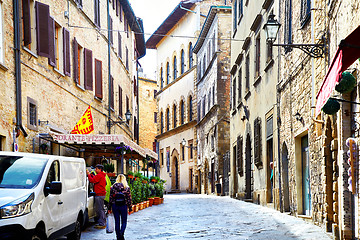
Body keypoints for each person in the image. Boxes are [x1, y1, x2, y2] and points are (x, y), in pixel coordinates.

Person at [108, 174, 132, 240]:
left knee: (117, 222)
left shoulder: (113, 187)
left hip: (115, 205)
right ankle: (121, 234)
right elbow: (129, 199)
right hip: (123, 205)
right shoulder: (126, 188)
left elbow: (110, 198)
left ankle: (118, 236)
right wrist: (130, 208)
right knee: (124, 221)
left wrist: (109, 208)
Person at [86, 164, 107, 229]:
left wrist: (89, 174)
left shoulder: (100, 175)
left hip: (99, 195)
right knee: (101, 209)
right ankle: (103, 222)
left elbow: (92, 180)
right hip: (102, 194)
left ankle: (102, 223)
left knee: (99, 209)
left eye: (96, 169)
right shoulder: (101, 175)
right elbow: (95, 178)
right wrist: (92, 175)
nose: (95, 170)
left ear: (100, 169)